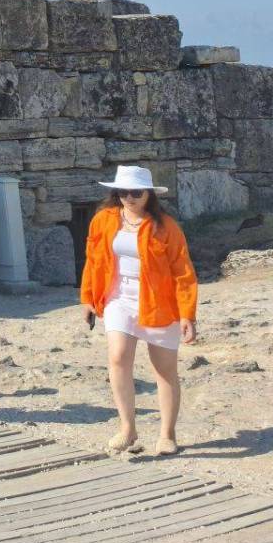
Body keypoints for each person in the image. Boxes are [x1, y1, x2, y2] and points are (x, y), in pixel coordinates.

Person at [81, 166, 197, 456]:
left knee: (164, 370)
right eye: (123, 192)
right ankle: (128, 428)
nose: (129, 198)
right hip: (118, 297)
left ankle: (167, 434)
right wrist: (88, 298)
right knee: (118, 357)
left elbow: (183, 271)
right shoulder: (103, 220)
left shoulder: (166, 226)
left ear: (149, 194)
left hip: (159, 302)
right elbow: (93, 261)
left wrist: (187, 314)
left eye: (136, 192)